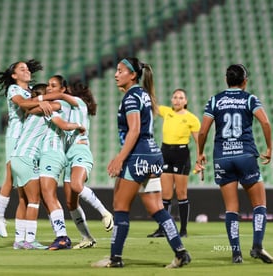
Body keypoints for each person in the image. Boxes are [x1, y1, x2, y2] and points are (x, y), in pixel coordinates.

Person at [92, 58, 191, 269]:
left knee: (120, 206)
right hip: (154, 156)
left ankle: (115, 258)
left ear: (133, 75)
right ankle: (180, 252)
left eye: (120, 71)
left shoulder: (130, 97)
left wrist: (120, 158)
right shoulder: (144, 94)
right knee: (156, 207)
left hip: (137, 156)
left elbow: (134, 130)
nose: (116, 74)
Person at [195, 64, 272, 264]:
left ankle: (236, 253)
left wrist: (200, 152)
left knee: (231, 208)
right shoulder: (250, 99)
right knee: (259, 204)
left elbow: (202, 132)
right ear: (244, 81)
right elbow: (265, 123)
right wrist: (270, 148)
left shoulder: (215, 100)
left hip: (222, 157)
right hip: (245, 155)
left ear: (226, 79)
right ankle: (257, 246)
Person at [10, 83, 84, 249]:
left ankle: (22, 240)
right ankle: (30, 240)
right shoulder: (46, 109)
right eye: (48, 89)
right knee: (34, 200)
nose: (50, 92)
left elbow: (39, 109)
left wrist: (38, 102)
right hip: (29, 156)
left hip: (28, 155)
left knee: (29, 199)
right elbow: (59, 121)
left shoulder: (59, 105)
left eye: (53, 87)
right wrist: (39, 102)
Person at [0, 60, 52, 238]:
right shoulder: (14, 90)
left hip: (28, 139)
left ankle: (22, 237)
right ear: (14, 75)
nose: (26, 71)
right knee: (10, 174)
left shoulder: (30, 90)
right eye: (22, 69)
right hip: (15, 136)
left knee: (24, 192)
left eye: (27, 68)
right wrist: (40, 102)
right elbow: (23, 104)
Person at [62, 80, 114, 249]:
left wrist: (41, 97)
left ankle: (105, 213)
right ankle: (87, 238)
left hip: (80, 151)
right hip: (68, 156)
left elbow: (61, 96)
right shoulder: (70, 110)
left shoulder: (79, 104)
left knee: (77, 185)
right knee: (70, 203)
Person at [148, 88, 200, 238]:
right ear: (171, 100)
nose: (177, 100)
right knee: (165, 194)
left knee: (181, 194)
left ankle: (183, 230)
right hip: (165, 152)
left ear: (186, 101)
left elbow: (198, 142)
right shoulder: (166, 112)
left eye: (181, 98)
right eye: (175, 97)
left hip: (181, 154)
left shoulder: (192, 119)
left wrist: (199, 160)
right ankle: (162, 229)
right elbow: (151, 104)